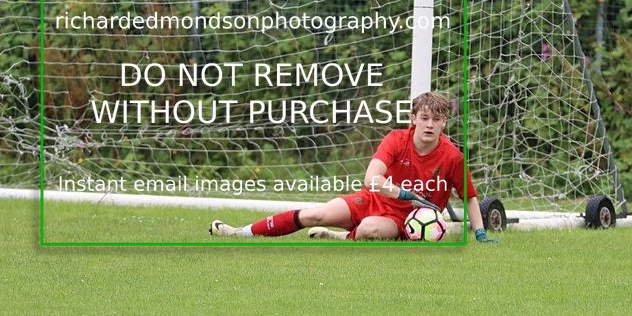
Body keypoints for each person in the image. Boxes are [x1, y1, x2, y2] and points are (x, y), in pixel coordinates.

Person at [210, 92, 500, 242]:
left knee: (370, 229)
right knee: (315, 214)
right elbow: (371, 178)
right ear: (413, 118)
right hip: (372, 200)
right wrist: (403, 193)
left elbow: (470, 198)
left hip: (404, 221)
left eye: (436, 119)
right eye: (424, 117)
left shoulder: (452, 157)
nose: (429, 124)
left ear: (444, 122)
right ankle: (239, 233)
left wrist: (480, 233)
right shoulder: (396, 140)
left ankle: (341, 237)